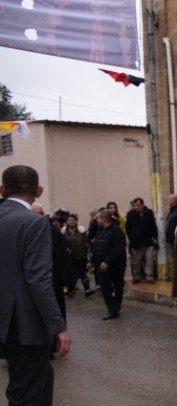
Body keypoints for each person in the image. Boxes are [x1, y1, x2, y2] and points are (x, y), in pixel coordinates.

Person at [0, 165, 71, 405]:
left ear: (2, 190)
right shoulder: (34, 223)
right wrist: (58, 326)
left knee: (34, 384)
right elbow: (38, 280)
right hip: (25, 326)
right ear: (38, 191)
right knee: (28, 394)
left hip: (7, 325)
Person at [90, 208, 127, 320]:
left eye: (98, 218)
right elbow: (96, 247)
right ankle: (112, 309)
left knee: (118, 287)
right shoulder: (100, 230)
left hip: (115, 266)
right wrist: (92, 261)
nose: (96, 220)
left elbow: (117, 249)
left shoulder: (117, 231)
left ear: (104, 218)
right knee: (105, 288)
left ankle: (116, 306)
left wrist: (107, 261)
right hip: (101, 266)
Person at [125, 197, 158, 283]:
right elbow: (128, 229)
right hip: (136, 243)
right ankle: (136, 277)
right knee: (136, 261)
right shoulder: (130, 214)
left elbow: (153, 226)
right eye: (134, 205)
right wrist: (132, 238)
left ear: (142, 205)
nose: (136, 207)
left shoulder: (149, 213)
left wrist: (154, 237)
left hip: (148, 241)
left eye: (138, 205)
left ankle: (149, 277)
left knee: (150, 260)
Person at [63, 213, 93, 297]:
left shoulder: (81, 231)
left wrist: (87, 253)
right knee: (71, 274)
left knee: (84, 273)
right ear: (66, 222)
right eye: (69, 220)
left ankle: (87, 289)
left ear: (76, 221)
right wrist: (67, 250)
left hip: (81, 256)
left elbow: (86, 242)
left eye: (73, 220)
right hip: (70, 258)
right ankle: (70, 290)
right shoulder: (63, 232)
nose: (72, 221)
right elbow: (62, 245)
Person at [164, 193, 177, 280]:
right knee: (174, 259)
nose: (168, 201)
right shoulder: (172, 210)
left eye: (169, 199)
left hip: (175, 240)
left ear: (174, 200)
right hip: (170, 239)